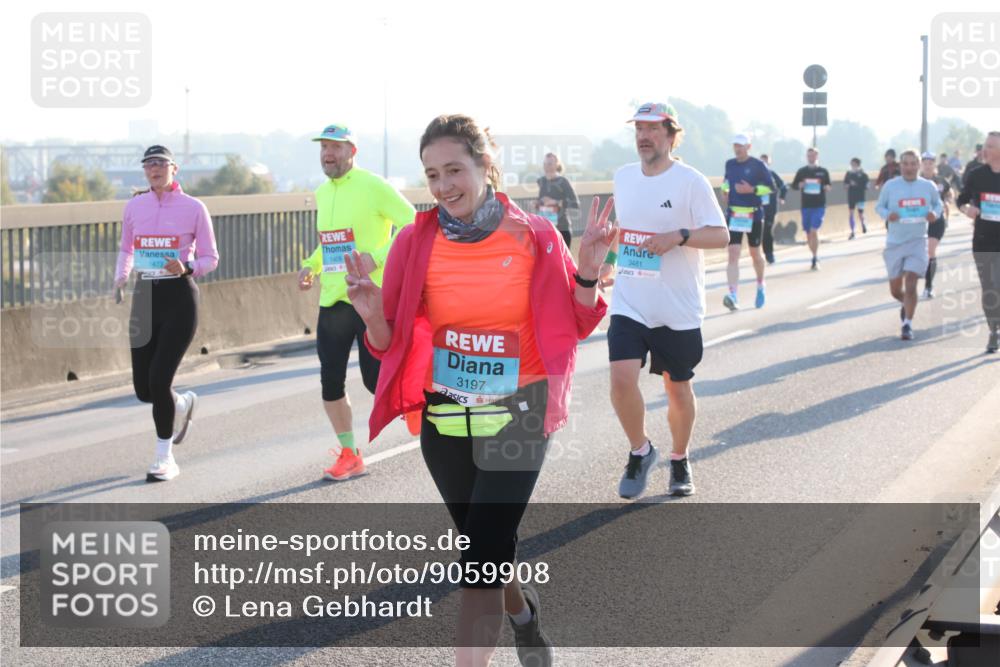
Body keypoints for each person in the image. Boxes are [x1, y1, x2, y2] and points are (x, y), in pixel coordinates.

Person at [348, 114, 614, 667]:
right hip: (446, 412)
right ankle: (524, 617)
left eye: (454, 169)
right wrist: (374, 318)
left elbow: (577, 320)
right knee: (484, 549)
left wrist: (586, 275)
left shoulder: (535, 236)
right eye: (432, 175)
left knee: (478, 562)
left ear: (484, 166)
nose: (444, 186)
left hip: (518, 409)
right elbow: (387, 342)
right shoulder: (413, 242)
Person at [598, 102, 729, 499]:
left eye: (653, 128)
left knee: (678, 390)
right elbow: (626, 230)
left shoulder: (690, 182)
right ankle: (641, 451)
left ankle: (679, 456)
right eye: (639, 128)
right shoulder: (623, 177)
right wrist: (608, 262)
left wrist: (679, 237)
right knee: (621, 380)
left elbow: (721, 235)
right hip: (631, 300)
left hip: (677, 307)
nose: (644, 135)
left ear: (671, 136)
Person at [297, 124, 415, 481]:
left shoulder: (374, 185)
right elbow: (331, 244)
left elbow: (413, 224)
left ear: (352, 151)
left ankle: (415, 402)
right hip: (333, 299)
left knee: (373, 379)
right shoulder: (321, 192)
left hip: (370, 297)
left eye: (335, 147)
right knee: (330, 382)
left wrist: (376, 258)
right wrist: (310, 265)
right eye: (323, 148)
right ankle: (349, 453)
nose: (327, 154)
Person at [114, 145, 219, 481]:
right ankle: (182, 404)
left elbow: (210, 258)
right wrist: (120, 277)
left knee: (160, 380)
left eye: (160, 164)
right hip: (144, 298)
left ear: (174, 168)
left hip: (179, 300)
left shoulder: (194, 208)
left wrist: (187, 266)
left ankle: (165, 458)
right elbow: (126, 248)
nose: (154, 170)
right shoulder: (135, 206)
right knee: (145, 390)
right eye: (149, 165)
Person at [875, 149, 943, 340]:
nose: (910, 167)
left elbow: (938, 205)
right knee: (896, 290)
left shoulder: (928, 186)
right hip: (895, 242)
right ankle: (907, 303)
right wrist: (888, 215)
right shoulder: (890, 186)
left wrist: (934, 214)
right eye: (906, 164)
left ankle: (907, 325)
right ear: (900, 165)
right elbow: (879, 206)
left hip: (918, 241)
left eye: (913, 164)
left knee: (911, 282)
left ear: (919, 165)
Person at [956, 131, 1000, 353]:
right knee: (989, 288)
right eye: (985, 145)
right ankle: (994, 330)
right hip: (983, 239)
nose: (986, 149)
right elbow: (961, 200)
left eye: (991, 146)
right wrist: (967, 209)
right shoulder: (976, 175)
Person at [720, 134, 775, 310]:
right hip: (735, 214)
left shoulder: (758, 165)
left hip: (754, 215)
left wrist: (752, 189)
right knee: (733, 253)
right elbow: (726, 182)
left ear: (748, 147)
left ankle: (760, 285)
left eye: (741, 146)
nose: (738, 149)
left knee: (755, 254)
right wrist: (725, 190)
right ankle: (733, 295)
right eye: (735, 145)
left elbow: (771, 187)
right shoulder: (730, 164)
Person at [790, 147, 832, 270]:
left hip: (819, 205)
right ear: (807, 157)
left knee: (814, 230)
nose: (811, 158)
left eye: (813, 156)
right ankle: (814, 255)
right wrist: (799, 185)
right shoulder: (802, 171)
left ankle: (815, 257)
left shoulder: (823, 172)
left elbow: (828, 185)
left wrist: (827, 187)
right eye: (809, 156)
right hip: (806, 206)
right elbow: (793, 185)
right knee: (808, 234)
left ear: (817, 156)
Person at [920, 151, 952, 298]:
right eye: (925, 163)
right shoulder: (916, 181)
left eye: (930, 163)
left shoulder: (940, 181)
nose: (928, 166)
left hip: (937, 221)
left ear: (934, 164)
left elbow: (950, 193)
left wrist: (946, 201)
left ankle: (928, 286)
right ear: (921, 164)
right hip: (919, 222)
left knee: (930, 251)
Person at [535, 152, 580, 249]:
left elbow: (575, 203)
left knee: (562, 263)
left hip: (562, 230)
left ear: (557, 165)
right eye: (545, 164)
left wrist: (556, 202)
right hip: (545, 230)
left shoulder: (563, 181)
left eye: (550, 164)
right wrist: (537, 204)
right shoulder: (541, 181)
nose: (547, 167)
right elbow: (542, 203)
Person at [759, 153, 787, 265]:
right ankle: (757, 255)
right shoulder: (753, 175)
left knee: (767, 232)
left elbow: (783, 186)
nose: (763, 164)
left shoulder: (772, 174)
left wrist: (782, 197)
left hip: (770, 209)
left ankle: (769, 254)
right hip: (756, 209)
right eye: (761, 162)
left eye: (765, 161)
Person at [844, 157, 870, 239]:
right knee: (851, 213)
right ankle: (852, 231)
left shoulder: (863, 174)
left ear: (858, 165)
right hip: (851, 196)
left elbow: (867, 186)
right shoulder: (848, 174)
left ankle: (863, 224)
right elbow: (845, 185)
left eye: (854, 164)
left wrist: (857, 184)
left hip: (860, 196)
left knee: (860, 213)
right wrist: (848, 185)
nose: (852, 166)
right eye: (851, 164)